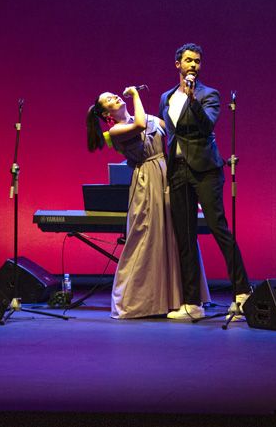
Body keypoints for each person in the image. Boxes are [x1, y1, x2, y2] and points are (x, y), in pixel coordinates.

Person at [86, 86, 209, 318]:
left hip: (168, 173)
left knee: (175, 234)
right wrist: (136, 95)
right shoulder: (116, 130)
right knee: (147, 236)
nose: (115, 97)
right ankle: (140, 299)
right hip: (147, 181)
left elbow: (173, 132)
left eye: (114, 94)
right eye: (109, 100)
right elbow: (140, 125)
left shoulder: (149, 117)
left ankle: (184, 297)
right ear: (106, 114)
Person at [159, 43, 251, 321]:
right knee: (185, 236)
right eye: (188, 60)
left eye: (197, 61)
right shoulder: (166, 97)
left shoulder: (208, 95)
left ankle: (242, 292)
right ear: (177, 64)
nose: (193, 65)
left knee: (218, 227)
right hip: (178, 171)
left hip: (206, 170)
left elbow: (207, 125)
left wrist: (192, 99)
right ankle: (191, 303)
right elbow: (170, 133)